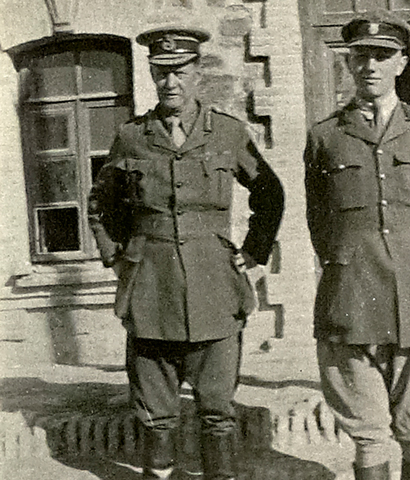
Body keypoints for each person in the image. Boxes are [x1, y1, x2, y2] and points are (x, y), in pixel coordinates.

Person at [88, 26, 284, 480]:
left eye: (179, 71)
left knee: (217, 410)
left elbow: (270, 193)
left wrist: (254, 252)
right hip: (150, 290)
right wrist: (119, 259)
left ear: (197, 73)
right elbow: (101, 204)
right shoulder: (132, 137)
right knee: (156, 413)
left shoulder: (229, 134)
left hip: (215, 287)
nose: (170, 82)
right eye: (161, 72)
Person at [304, 10, 410, 480]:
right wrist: (349, 265)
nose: (370, 65)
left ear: (402, 63)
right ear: (348, 65)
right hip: (351, 298)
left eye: (383, 55)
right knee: (367, 430)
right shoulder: (325, 137)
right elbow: (320, 222)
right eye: (360, 57)